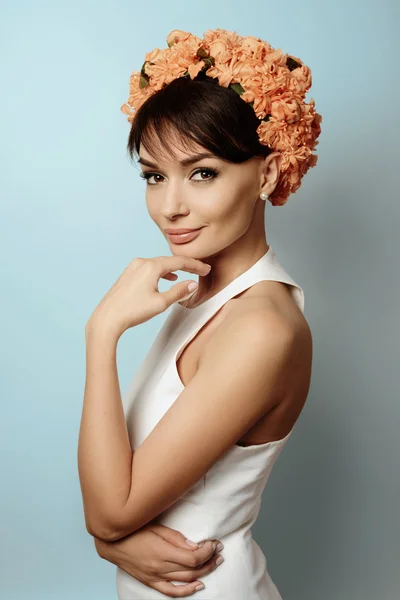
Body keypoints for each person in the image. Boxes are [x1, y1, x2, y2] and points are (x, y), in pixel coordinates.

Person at [78, 28, 321, 599]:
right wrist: (107, 538)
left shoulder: (262, 326)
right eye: (154, 176)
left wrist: (101, 333)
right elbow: (114, 502)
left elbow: (111, 511)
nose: (170, 206)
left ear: (265, 173)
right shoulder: (205, 295)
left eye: (202, 172)